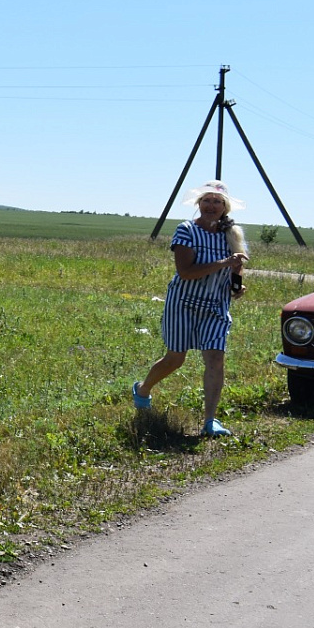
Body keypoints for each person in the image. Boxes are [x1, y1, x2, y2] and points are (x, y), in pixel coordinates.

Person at [133, 181, 250, 436]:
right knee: (176, 359)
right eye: (206, 200)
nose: (211, 206)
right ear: (198, 204)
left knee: (215, 358)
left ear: (225, 207)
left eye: (217, 201)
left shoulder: (232, 235)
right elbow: (185, 273)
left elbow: (235, 267)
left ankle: (210, 421)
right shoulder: (186, 230)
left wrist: (236, 286)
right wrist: (223, 263)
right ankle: (142, 390)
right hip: (183, 302)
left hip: (216, 305)